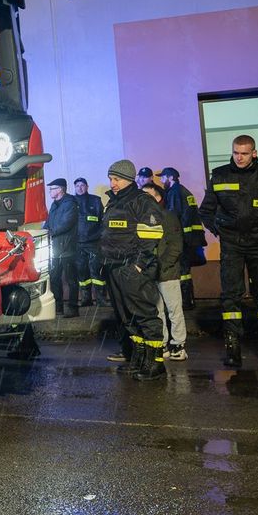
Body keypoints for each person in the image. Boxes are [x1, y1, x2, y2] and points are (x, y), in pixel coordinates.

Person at [199, 135, 258, 369]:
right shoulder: (220, 175)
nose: (239, 157)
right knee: (231, 295)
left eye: (244, 153)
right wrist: (219, 231)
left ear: (254, 153)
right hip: (232, 244)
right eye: (236, 153)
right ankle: (233, 347)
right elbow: (206, 211)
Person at [100, 160, 166, 381]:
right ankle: (138, 357)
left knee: (144, 313)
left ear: (128, 179)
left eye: (116, 179)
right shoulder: (113, 202)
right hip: (115, 267)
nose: (113, 183)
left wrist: (138, 265)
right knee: (126, 315)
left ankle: (155, 362)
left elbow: (152, 236)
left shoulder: (141, 201)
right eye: (111, 179)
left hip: (132, 267)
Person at [141, 182, 188, 361]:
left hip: (167, 273)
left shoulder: (168, 216)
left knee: (174, 310)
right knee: (157, 312)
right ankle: (162, 344)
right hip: (150, 273)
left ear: (158, 197)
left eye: (148, 195)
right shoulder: (144, 219)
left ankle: (178, 344)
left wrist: (163, 265)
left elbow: (176, 245)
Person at [158, 167, 207, 311]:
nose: (161, 181)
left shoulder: (174, 193)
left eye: (163, 178)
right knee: (185, 272)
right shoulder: (184, 191)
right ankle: (188, 300)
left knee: (183, 272)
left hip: (182, 239)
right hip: (190, 238)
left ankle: (186, 301)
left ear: (170, 178)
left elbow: (173, 217)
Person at [44, 178, 80, 317]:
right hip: (55, 248)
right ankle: (58, 307)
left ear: (60, 189)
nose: (50, 191)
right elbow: (48, 222)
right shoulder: (54, 205)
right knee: (54, 278)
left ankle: (73, 308)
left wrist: (51, 232)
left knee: (71, 279)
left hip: (68, 248)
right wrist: (44, 230)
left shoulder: (70, 204)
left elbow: (67, 223)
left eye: (52, 188)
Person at [73, 178, 106, 307]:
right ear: (74, 187)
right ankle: (86, 299)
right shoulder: (71, 202)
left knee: (96, 272)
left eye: (82, 185)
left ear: (87, 187)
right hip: (77, 244)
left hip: (94, 243)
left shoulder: (96, 201)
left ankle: (101, 299)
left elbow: (102, 221)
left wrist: (100, 237)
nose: (80, 188)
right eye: (77, 186)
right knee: (82, 273)